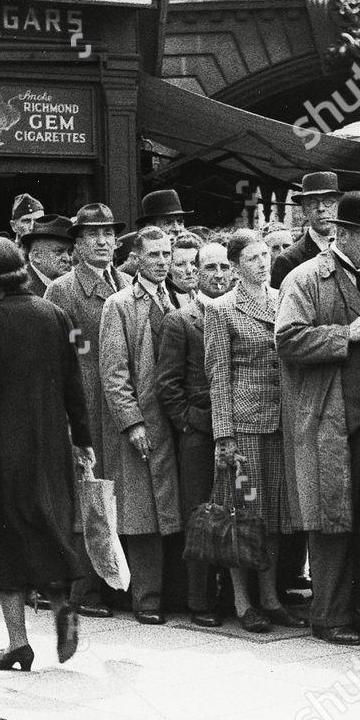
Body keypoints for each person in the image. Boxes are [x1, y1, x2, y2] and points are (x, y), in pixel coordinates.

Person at [0, 237, 94, 669]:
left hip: (2, 448)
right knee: (47, 527)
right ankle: (62, 609)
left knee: (3, 541)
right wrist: (83, 440)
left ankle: (18, 642)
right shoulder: (55, 313)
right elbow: (75, 382)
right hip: (50, 442)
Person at [276, 191, 360, 646]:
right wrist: (345, 334)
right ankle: (328, 615)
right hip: (326, 416)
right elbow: (286, 340)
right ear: (340, 234)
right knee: (330, 517)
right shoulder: (306, 279)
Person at [205, 229, 305, 633]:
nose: (263, 262)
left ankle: (269, 596)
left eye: (265, 255)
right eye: (252, 258)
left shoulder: (284, 299)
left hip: (282, 422)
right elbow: (218, 374)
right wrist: (223, 436)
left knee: (274, 514)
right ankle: (243, 601)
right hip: (244, 427)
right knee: (242, 513)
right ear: (234, 266)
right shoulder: (223, 309)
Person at [44, 203, 130, 618]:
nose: (103, 242)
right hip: (83, 401)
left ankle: (116, 581)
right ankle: (85, 589)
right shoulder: (62, 290)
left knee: (118, 491)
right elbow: (54, 356)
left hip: (120, 400)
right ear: (76, 244)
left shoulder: (128, 282)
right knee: (86, 491)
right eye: (93, 235)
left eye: (108, 234)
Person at [98, 226, 183, 624]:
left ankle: (178, 594)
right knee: (143, 510)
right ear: (137, 258)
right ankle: (145, 598)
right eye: (154, 256)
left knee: (174, 505)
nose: (162, 262)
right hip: (144, 419)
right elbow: (113, 371)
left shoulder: (181, 298)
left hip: (178, 418)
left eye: (167, 254)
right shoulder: (120, 304)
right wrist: (131, 422)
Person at [156, 239, 232, 627]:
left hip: (237, 428)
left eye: (224, 268)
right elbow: (168, 385)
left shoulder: (239, 312)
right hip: (199, 435)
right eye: (210, 269)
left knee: (236, 509)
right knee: (199, 513)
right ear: (194, 275)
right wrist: (190, 423)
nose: (218, 275)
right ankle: (199, 599)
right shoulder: (182, 320)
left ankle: (234, 596)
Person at [270, 172, 341, 289]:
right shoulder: (288, 261)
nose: (321, 209)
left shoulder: (350, 249)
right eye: (313, 203)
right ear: (304, 210)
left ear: (338, 206)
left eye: (328, 202)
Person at [21, 215, 74, 295]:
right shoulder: (21, 289)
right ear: (37, 256)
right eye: (59, 252)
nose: (67, 258)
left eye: (70, 252)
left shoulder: (75, 286)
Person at [166, 232, 202, 307]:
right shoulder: (165, 301)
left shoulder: (203, 297)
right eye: (180, 264)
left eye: (193, 263)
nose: (189, 270)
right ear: (168, 268)